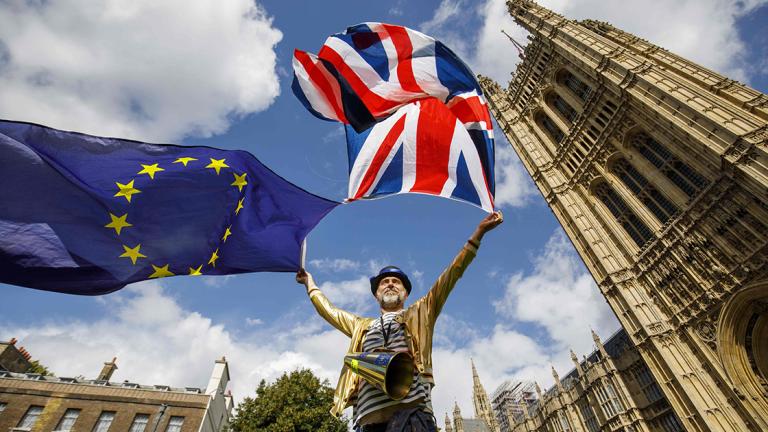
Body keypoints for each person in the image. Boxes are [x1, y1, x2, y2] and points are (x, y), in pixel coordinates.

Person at [296, 211, 503, 432]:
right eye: (384, 282)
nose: (391, 284)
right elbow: (329, 311)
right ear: (376, 294)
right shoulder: (361, 325)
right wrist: (310, 283)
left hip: (412, 419)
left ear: (405, 294)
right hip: (368, 423)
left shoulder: (420, 312)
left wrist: (478, 234)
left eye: (397, 282)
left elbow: (451, 275)